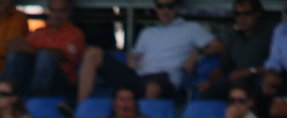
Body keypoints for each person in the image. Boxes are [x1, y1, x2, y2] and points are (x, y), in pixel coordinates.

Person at [77, 0, 223, 103]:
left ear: (177, 8)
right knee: (93, 53)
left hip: (167, 80)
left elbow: (220, 46)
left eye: (169, 6)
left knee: (152, 87)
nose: (165, 11)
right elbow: (136, 57)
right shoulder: (148, 31)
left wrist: (198, 52)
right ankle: (80, 108)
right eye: (160, 6)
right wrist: (132, 61)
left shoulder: (191, 28)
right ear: (156, 8)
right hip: (139, 77)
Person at [194, 0, 273, 100]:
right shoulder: (234, 37)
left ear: (257, 13)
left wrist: (248, 71)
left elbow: (275, 66)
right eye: (237, 14)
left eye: (246, 13)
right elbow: (223, 67)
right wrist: (209, 83)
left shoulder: (270, 35)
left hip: (257, 81)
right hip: (236, 82)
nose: (241, 18)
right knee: (205, 93)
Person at [4, 0, 85, 98]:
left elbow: (62, 55)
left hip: (61, 82)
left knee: (45, 56)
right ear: (48, 11)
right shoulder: (39, 32)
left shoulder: (75, 34)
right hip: (31, 78)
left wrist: (32, 49)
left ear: (69, 12)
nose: (57, 15)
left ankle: (37, 97)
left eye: (62, 11)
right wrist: (15, 45)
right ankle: (8, 94)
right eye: (53, 10)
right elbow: (20, 46)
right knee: (16, 56)